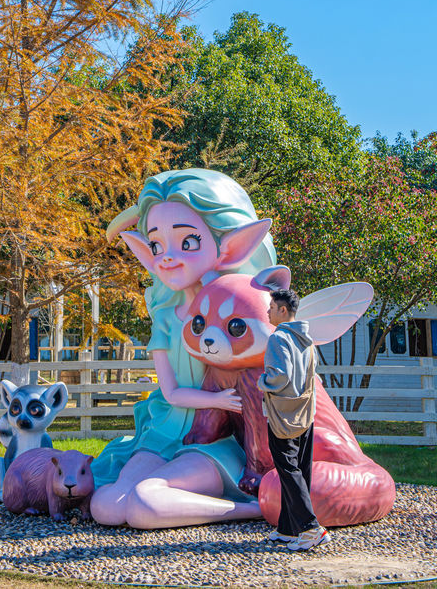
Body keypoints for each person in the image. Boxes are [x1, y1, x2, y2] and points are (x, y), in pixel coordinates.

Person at [90, 168, 276, 529]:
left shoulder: (241, 313)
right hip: (165, 428)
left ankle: (255, 509)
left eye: (187, 242)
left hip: (216, 434)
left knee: (145, 504)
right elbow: (171, 392)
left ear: (229, 247)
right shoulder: (164, 317)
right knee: (107, 506)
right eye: (156, 246)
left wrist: (223, 406)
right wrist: (216, 399)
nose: (167, 257)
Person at [257, 288, 328, 551]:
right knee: (300, 468)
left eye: (272, 307)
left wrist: (261, 381)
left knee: (288, 469)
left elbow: (279, 377)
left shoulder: (279, 339)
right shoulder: (307, 340)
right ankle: (288, 529)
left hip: (282, 415)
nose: (268, 312)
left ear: (282, 310)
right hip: (305, 413)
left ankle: (310, 528)